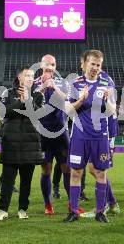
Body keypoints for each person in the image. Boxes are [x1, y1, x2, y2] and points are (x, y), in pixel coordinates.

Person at [64, 49, 116, 223]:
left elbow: (111, 111)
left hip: (100, 136)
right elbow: (68, 111)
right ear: (84, 63)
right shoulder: (75, 84)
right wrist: (81, 100)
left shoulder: (106, 83)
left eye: (98, 64)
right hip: (79, 135)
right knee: (76, 173)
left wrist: (107, 100)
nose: (95, 67)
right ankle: (73, 212)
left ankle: (101, 212)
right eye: (92, 64)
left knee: (101, 173)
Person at [0, 65, 44, 221]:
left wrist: (28, 100)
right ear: (19, 78)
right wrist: (19, 104)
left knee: (26, 181)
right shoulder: (7, 93)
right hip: (11, 143)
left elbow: (37, 116)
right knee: (8, 180)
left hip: (30, 144)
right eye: (27, 75)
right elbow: (2, 112)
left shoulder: (37, 95)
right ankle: (3, 210)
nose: (30, 78)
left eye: (32, 76)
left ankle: (22, 209)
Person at [35, 54, 84, 215]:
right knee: (46, 170)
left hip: (61, 134)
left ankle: (72, 204)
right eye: (47, 64)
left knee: (67, 169)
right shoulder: (33, 84)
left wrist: (54, 87)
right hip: (43, 135)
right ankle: (48, 205)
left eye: (53, 64)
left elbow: (69, 103)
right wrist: (41, 89)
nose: (50, 67)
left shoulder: (63, 84)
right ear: (41, 65)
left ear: (56, 67)